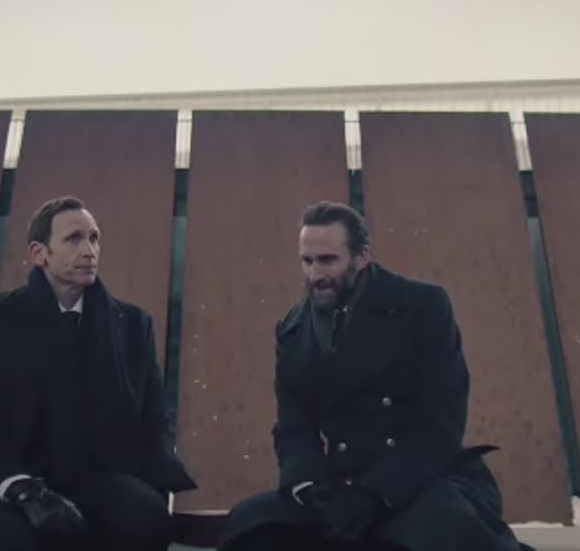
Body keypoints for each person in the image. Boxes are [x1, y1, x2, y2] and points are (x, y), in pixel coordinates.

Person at [219, 201, 527, 551]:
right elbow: (294, 427)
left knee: (441, 530)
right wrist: (310, 488)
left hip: (423, 477)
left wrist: (376, 495)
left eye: (328, 260)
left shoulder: (421, 306)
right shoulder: (294, 329)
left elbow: (441, 422)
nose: (315, 275)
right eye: (307, 261)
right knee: (251, 525)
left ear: (362, 256)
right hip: (341, 483)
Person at [0, 196, 195, 551]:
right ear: (39, 253)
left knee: (145, 517)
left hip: (98, 478)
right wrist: (21, 489)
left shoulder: (132, 325)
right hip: (11, 482)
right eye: (74, 239)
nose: (89, 250)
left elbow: (154, 421)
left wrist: (155, 485)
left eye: (94, 238)